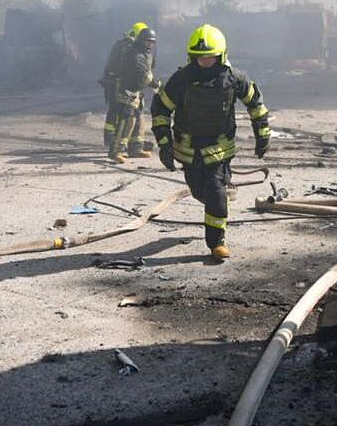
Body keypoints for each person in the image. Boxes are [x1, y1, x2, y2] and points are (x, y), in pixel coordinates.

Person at [151, 24, 270, 259]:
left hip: (219, 149)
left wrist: (262, 133)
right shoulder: (181, 79)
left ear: (221, 55)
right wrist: (164, 144)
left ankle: (216, 243)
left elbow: (255, 104)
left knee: (215, 192)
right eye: (200, 58)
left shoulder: (234, 78)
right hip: (188, 149)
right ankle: (222, 199)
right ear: (192, 57)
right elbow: (161, 109)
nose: (205, 62)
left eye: (210, 58)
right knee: (199, 191)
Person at [109, 27, 160, 162]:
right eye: (147, 41)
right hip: (127, 91)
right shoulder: (135, 54)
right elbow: (144, 76)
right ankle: (116, 151)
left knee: (139, 118)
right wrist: (156, 86)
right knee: (126, 120)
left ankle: (136, 149)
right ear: (141, 40)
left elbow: (149, 71)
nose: (150, 44)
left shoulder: (146, 53)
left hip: (136, 91)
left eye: (152, 42)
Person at [101, 22, 148, 150]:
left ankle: (124, 141)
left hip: (113, 82)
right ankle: (115, 141)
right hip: (118, 83)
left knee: (117, 110)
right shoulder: (129, 47)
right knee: (123, 111)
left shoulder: (122, 44)